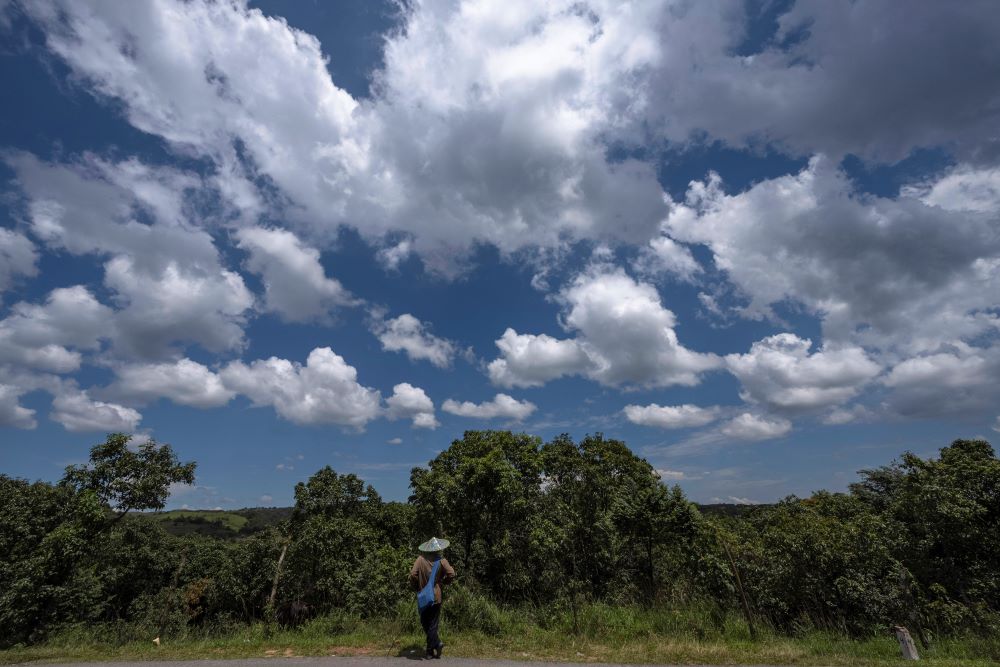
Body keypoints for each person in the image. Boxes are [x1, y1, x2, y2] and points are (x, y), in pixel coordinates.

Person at [409, 536, 455, 659]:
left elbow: (413, 575)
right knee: (433, 624)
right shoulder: (442, 561)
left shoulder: (420, 559)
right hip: (436, 596)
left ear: (428, 549)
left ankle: (430, 651)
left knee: (425, 622)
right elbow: (452, 574)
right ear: (438, 549)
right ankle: (436, 643)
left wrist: (417, 586)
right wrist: (444, 582)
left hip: (423, 596)